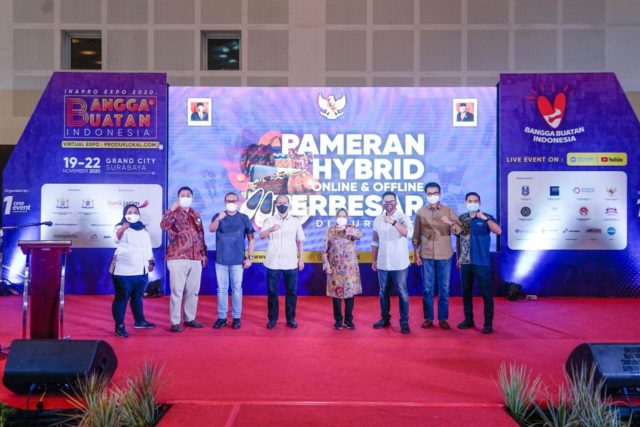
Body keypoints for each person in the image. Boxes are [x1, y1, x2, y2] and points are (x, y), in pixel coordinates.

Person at [413, 182, 461, 330]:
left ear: (439, 194)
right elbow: (416, 235)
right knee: (427, 289)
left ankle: (443, 318)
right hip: (426, 254)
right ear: (426, 195)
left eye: (435, 193)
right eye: (429, 193)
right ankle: (428, 318)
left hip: (444, 255)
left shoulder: (448, 211)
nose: (432, 195)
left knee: (444, 289)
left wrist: (450, 222)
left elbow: (458, 231)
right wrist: (416, 254)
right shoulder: (421, 212)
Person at [161, 186, 208, 332]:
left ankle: (189, 318)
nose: (186, 197)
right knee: (177, 291)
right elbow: (164, 226)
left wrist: (203, 253)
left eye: (188, 195)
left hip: (195, 257)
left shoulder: (196, 214)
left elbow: (200, 235)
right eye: (183, 195)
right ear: (178, 197)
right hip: (177, 257)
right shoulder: (172, 212)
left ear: (192, 198)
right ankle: (175, 321)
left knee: (193, 291)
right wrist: (172, 209)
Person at [455, 192, 501, 334]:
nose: (472, 203)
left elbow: (498, 231)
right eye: (470, 201)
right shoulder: (461, 218)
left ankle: (488, 324)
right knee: (466, 292)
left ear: (479, 203)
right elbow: (458, 239)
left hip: (482, 262)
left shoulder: (487, 217)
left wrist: (485, 219)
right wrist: (458, 257)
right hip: (465, 262)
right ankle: (468, 320)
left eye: (475, 201)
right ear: (465, 203)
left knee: (486, 294)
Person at [209, 192, 255, 329]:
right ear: (224, 203)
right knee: (222, 290)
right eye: (228, 201)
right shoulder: (218, 216)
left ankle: (236, 317)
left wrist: (250, 258)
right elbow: (211, 229)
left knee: (236, 290)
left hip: (238, 261)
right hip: (221, 260)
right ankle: (222, 317)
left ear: (238, 202)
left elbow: (251, 239)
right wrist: (219, 218)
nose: (231, 203)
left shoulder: (244, 218)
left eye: (233, 200)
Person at [259, 194, 305, 329]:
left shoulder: (295, 221)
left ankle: (290, 318)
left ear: (289, 204)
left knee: (291, 292)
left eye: (285, 202)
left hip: (290, 262)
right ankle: (272, 319)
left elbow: (300, 241)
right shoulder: (269, 220)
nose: (282, 205)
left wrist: (301, 259)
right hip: (272, 262)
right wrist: (270, 229)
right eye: (279, 203)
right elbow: (261, 236)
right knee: (272, 292)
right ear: (276, 205)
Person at [110, 204, 156, 338]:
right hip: (123, 271)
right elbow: (115, 239)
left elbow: (148, 247)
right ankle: (119, 326)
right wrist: (122, 229)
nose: (133, 214)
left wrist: (151, 262)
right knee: (121, 298)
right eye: (129, 212)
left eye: (135, 212)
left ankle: (139, 321)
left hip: (141, 270)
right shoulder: (120, 227)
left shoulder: (143, 229)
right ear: (125, 214)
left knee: (137, 297)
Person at [372, 191, 413, 334]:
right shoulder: (378, 219)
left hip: (399, 262)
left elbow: (409, 233)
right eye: (386, 201)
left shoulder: (403, 217)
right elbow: (375, 241)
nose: (389, 204)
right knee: (383, 291)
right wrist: (373, 259)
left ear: (396, 202)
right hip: (383, 262)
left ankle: (404, 322)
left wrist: (394, 223)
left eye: (391, 201)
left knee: (402, 291)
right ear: (382, 203)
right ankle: (385, 319)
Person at [322, 208, 362, 330]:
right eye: (339, 216)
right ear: (336, 217)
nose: (342, 218)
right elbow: (324, 250)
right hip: (335, 268)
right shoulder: (330, 230)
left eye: (344, 216)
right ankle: (338, 321)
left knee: (350, 295)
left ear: (347, 217)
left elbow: (360, 235)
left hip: (350, 270)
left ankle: (349, 321)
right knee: (336, 295)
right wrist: (326, 266)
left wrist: (346, 230)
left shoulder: (352, 228)